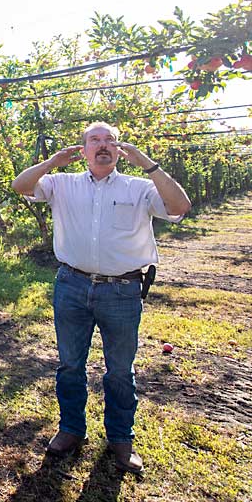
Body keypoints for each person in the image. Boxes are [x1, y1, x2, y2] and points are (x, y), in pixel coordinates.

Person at [11, 121, 191, 475]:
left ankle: (121, 439)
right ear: (84, 149)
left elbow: (179, 206)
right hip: (72, 285)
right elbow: (20, 186)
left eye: (110, 139)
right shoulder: (62, 184)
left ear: (119, 148)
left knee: (120, 371)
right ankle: (71, 430)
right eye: (95, 140)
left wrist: (150, 166)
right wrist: (51, 162)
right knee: (70, 365)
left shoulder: (140, 188)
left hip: (122, 290)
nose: (103, 144)